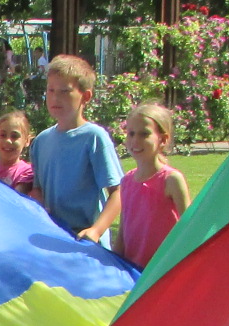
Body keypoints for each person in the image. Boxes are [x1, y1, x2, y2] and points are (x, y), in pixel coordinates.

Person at [79, 102, 192, 268]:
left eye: (144, 134)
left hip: (162, 270)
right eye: (131, 134)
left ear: (163, 139)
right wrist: (115, 264)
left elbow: (190, 227)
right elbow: (123, 232)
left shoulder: (171, 180)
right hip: (132, 269)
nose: (135, 141)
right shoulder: (127, 181)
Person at [27, 54, 122, 241]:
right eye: (51, 90)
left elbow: (118, 193)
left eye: (64, 91)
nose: (55, 98)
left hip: (86, 241)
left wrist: (96, 230)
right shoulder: (40, 141)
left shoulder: (94, 137)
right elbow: (38, 189)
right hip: (54, 237)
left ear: (85, 96)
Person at [0, 110, 36, 194]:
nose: (7, 141)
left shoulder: (27, 172)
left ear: (27, 141)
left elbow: (14, 197)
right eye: (3, 135)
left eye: (14, 136)